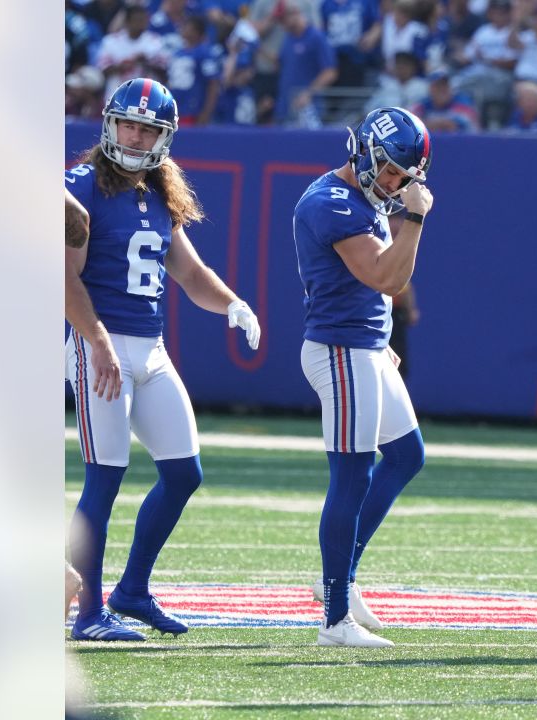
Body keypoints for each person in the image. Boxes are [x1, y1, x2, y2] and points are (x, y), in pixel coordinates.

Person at [65, 78, 262, 642]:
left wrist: (233, 304)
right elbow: (65, 279)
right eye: (126, 122)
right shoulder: (79, 188)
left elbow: (190, 273)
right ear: (108, 123)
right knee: (104, 478)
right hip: (97, 342)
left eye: (146, 127)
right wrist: (97, 340)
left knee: (183, 471)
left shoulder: (157, 193)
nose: (133, 134)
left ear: (163, 137)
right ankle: (88, 614)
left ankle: (132, 591)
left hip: (150, 347)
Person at [293, 107, 432, 648]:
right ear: (368, 155)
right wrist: (415, 220)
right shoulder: (331, 202)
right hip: (340, 350)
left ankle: (341, 582)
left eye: (407, 176)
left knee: (406, 455)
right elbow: (384, 276)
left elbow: (373, 291)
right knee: (350, 478)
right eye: (394, 171)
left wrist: (382, 342)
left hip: (365, 347)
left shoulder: (361, 197)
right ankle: (334, 618)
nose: (397, 184)